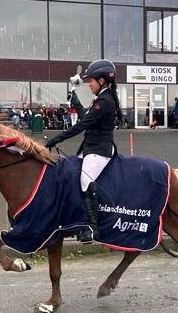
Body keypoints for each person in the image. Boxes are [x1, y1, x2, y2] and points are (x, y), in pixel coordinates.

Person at [45, 59, 122, 244]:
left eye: (91, 81)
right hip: (90, 148)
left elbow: (81, 125)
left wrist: (55, 140)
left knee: (85, 179)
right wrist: (75, 98)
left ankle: (92, 228)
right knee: (71, 174)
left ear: (102, 81)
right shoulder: (100, 99)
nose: (89, 84)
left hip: (99, 150)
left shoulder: (105, 101)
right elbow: (86, 116)